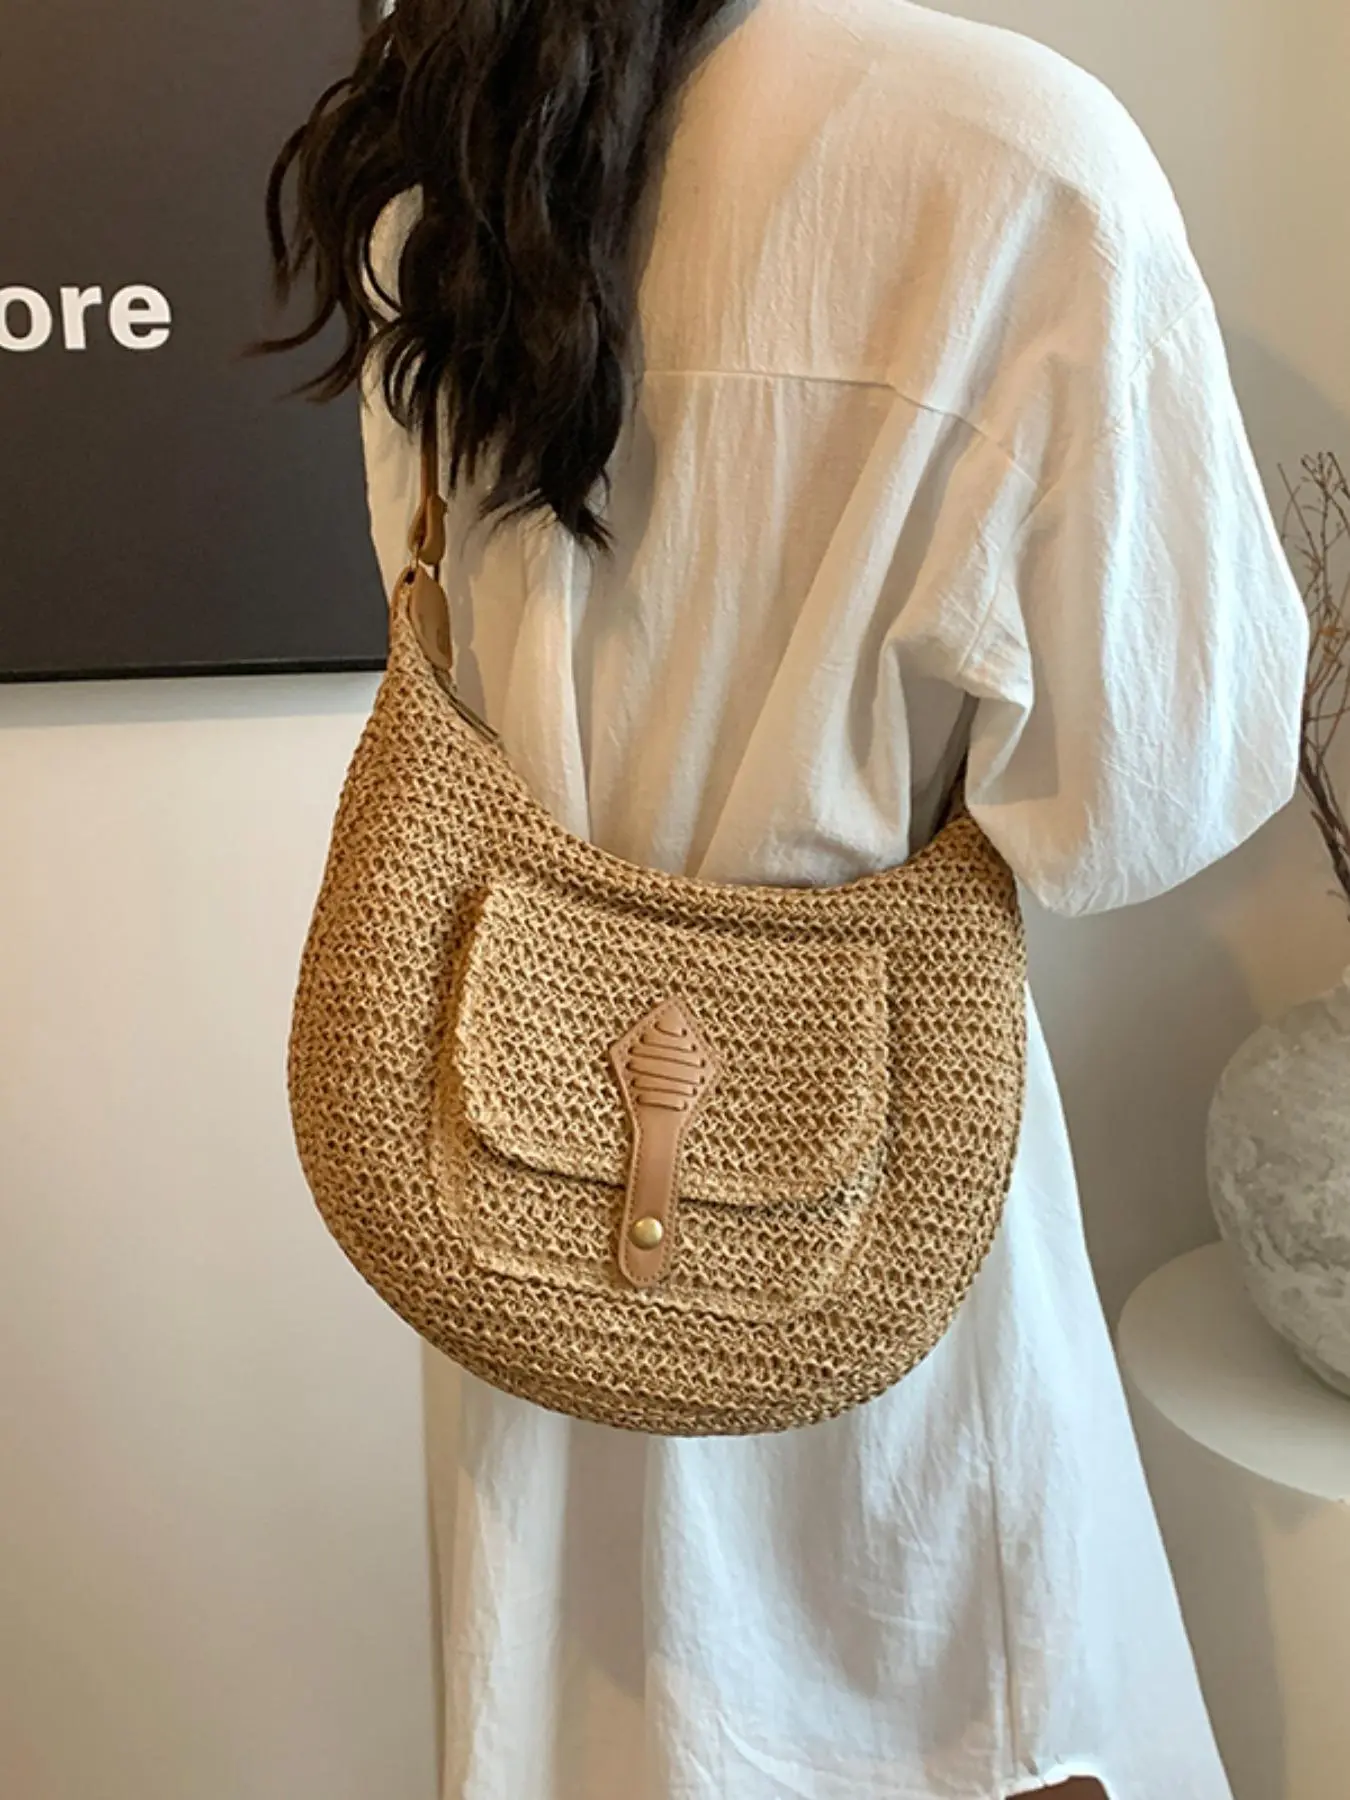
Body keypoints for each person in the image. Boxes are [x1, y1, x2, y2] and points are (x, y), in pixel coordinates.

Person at [257, 1, 1309, 1795]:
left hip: (517, 1197)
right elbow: (1145, 795)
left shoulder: (454, 140)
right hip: (876, 1221)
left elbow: (442, 616)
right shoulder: (1021, 158)